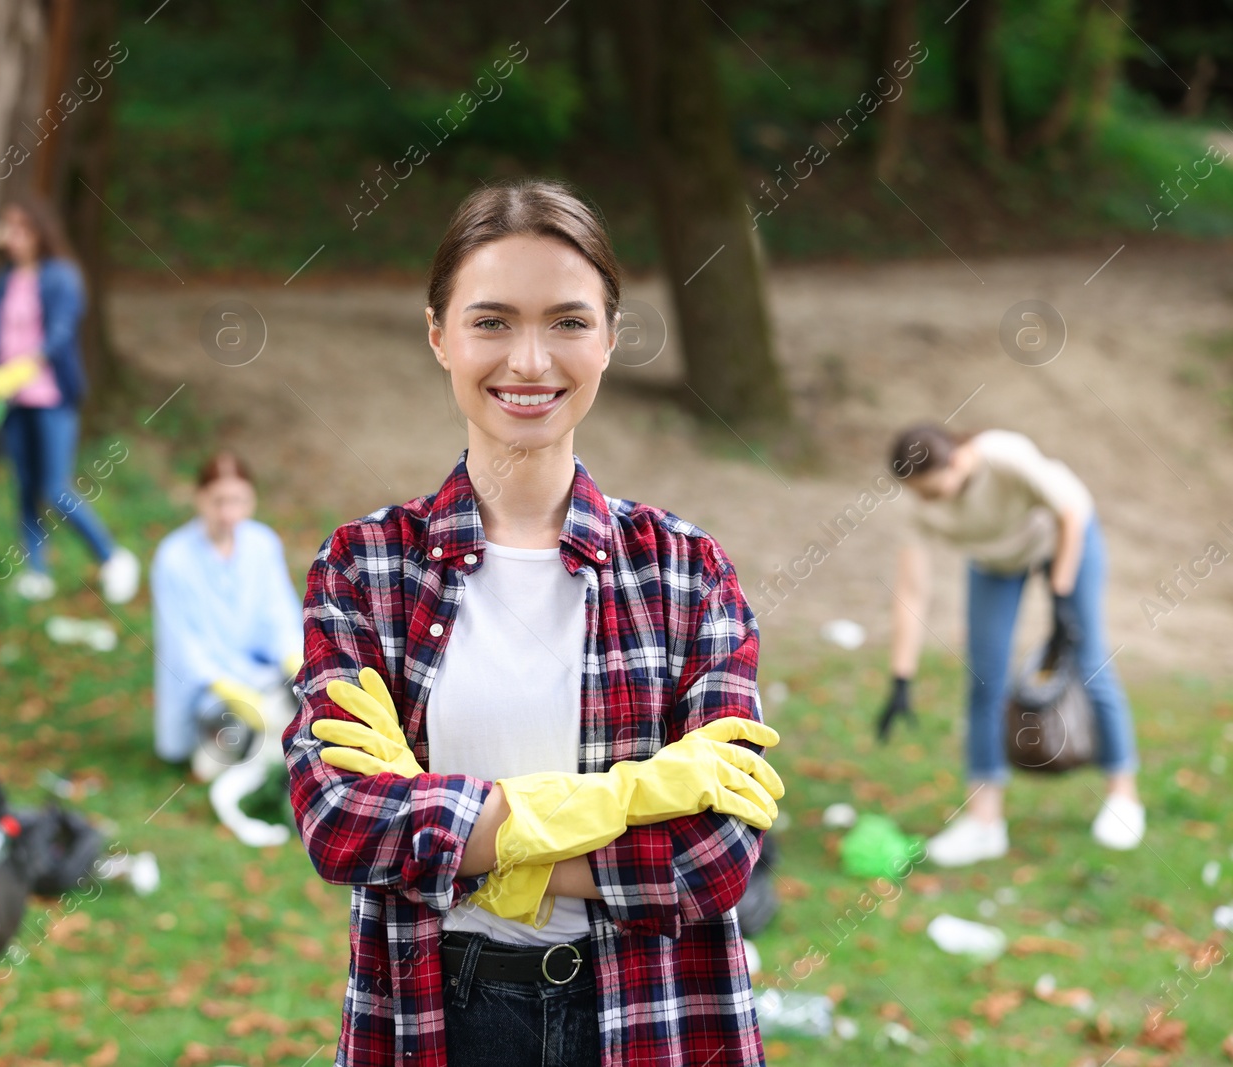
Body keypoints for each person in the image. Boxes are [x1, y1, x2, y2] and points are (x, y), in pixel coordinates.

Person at [281, 179, 786, 1067]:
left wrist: (467, 839)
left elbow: (718, 853)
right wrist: (623, 799)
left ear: (609, 338)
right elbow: (340, 818)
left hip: (647, 1015)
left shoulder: (684, 570)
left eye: (566, 321)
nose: (528, 360)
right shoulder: (365, 568)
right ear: (438, 334)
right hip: (440, 1012)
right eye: (491, 321)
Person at [880, 423, 1143, 866]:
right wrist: (901, 676)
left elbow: (1072, 513)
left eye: (932, 490)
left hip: (1062, 539)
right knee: (984, 682)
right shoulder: (920, 507)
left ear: (959, 460)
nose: (926, 501)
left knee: (1090, 661)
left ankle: (1124, 798)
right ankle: (984, 823)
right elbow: (912, 590)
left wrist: (1060, 597)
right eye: (917, 493)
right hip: (996, 562)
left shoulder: (1005, 457)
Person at [0, 195, 138, 604]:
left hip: (51, 397)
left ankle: (112, 556)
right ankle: (36, 571)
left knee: (55, 488)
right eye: (9, 228)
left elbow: (62, 331)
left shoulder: (62, 276)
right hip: (10, 399)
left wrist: (31, 361)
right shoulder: (4, 279)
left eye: (22, 228)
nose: (14, 238)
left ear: (40, 231)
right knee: (25, 488)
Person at [151, 451, 303, 778]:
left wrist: (292, 656)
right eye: (218, 501)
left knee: (293, 709)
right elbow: (179, 641)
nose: (227, 512)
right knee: (219, 748)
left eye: (237, 500)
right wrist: (225, 686)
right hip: (205, 685)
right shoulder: (173, 556)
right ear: (199, 499)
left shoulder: (263, 544)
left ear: (252, 500)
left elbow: (279, 612)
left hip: (258, 671)